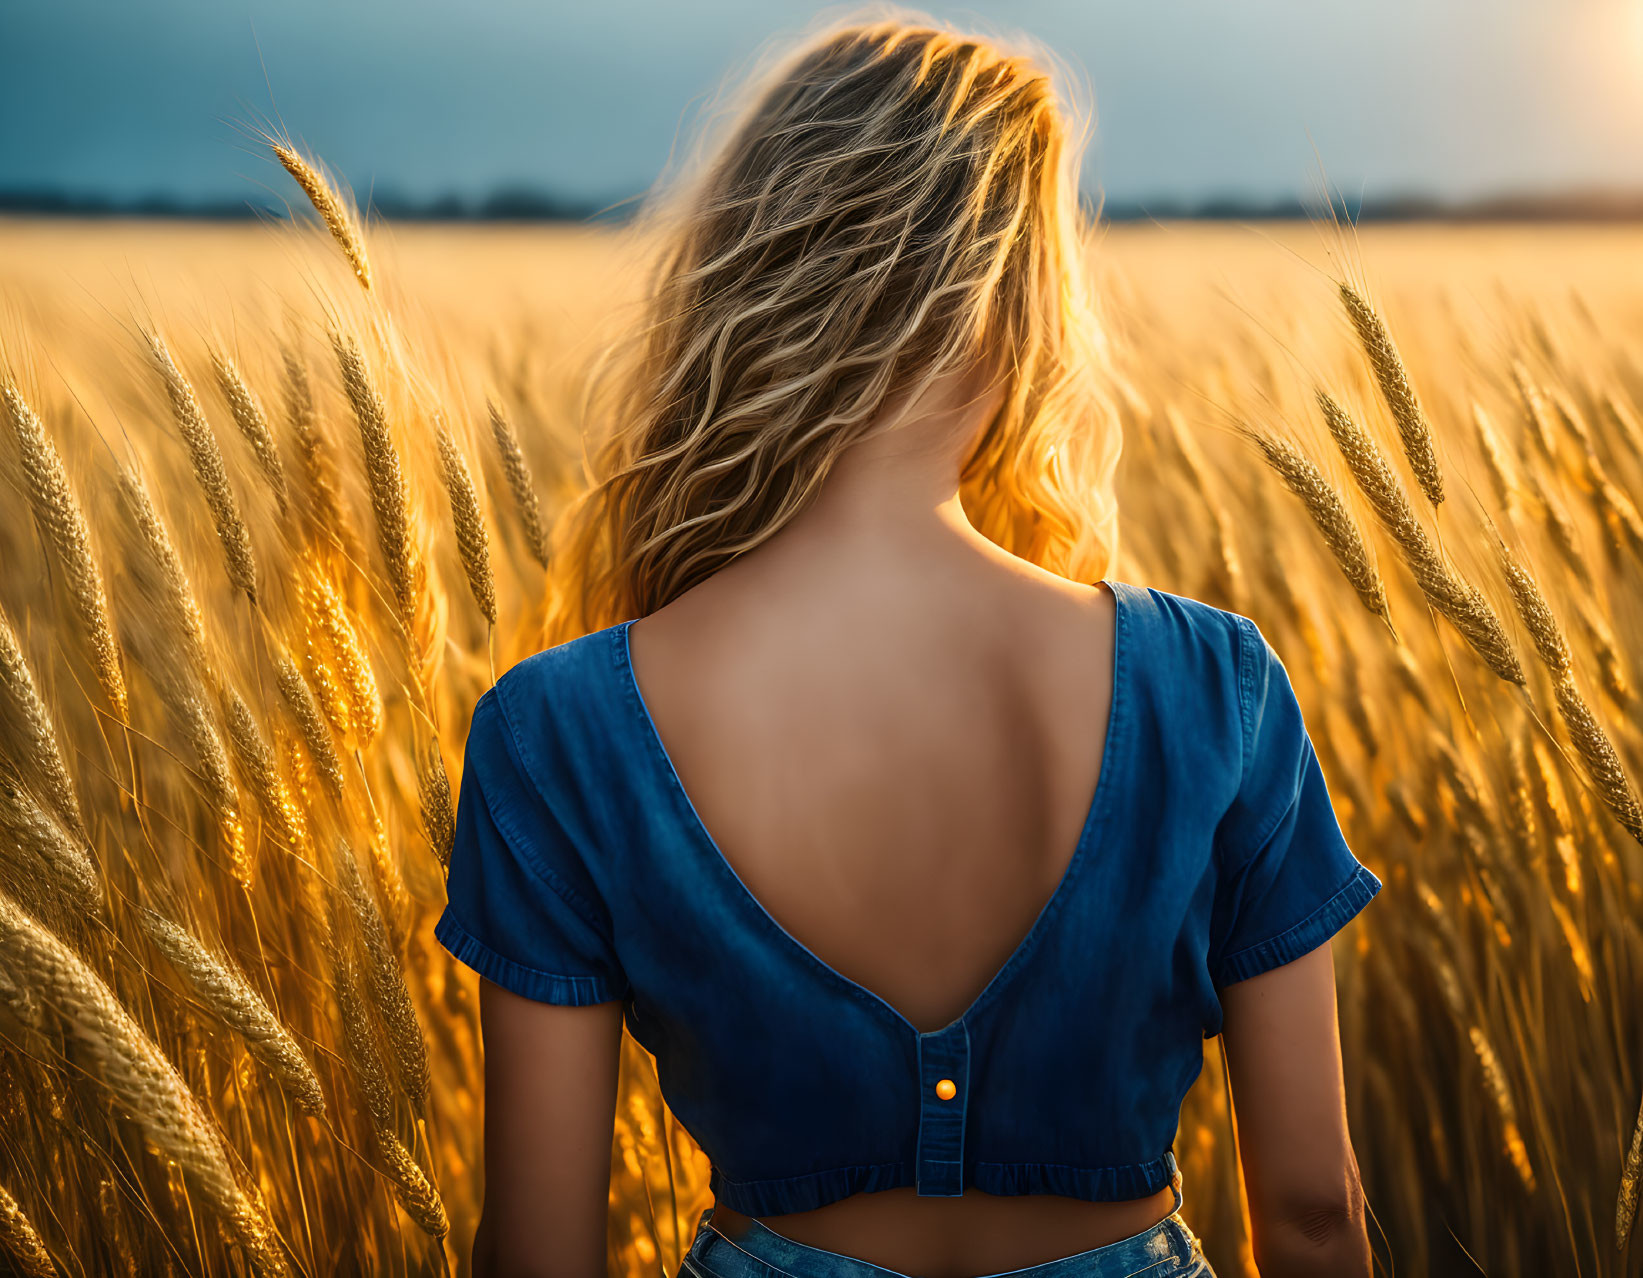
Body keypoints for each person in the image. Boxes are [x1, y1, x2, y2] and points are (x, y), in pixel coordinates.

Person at [435, 11, 1380, 1278]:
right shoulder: (1213, 694)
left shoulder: (559, 731)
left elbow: (540, 1255)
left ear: (751, 288)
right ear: (1016, 310)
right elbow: (1313, 1211)